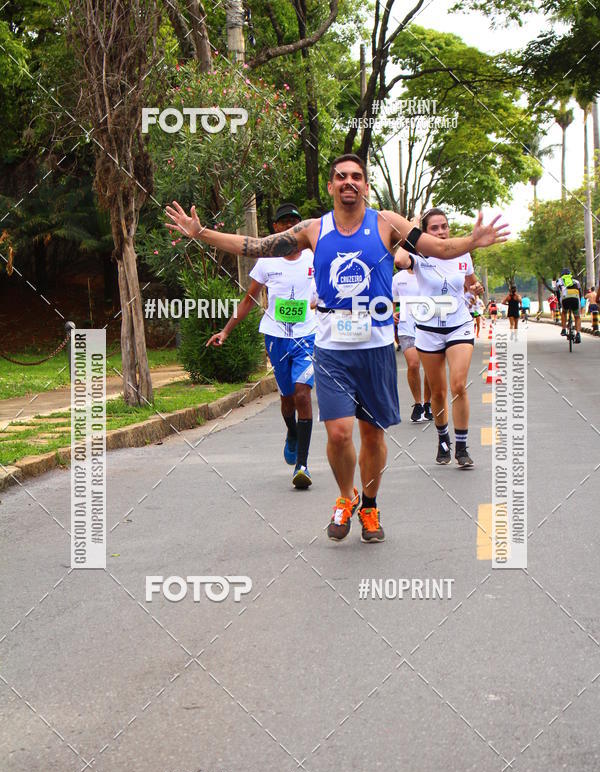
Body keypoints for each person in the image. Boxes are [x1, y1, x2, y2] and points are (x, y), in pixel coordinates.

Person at [165, 154, 509, 541]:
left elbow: (438, 249)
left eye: (356, 177)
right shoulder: (314, 229)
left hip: (376, 348)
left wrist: (472, 242)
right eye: (341, 176)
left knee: (373, 436)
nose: (349, 182)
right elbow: (255, 245)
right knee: (340, 434)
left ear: (366, 186)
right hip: (331, 350)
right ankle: (346, 497)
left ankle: (371, 505)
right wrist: (202, 233)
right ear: (331, 186)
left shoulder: (387, 223)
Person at [206, 202, 316, 489]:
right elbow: (249, 300)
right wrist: (226, 331)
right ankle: (292, 431)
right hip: (275, 336)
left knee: (303, 395)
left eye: (295, 221)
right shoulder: (266, 261)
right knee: (287, 398)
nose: (290, 226)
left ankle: (302, 464)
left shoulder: (314, 257)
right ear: (276, 229)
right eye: (284, 222)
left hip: (307, 336)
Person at [396, 207, 485, 469]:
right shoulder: (418, 254)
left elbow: (470, 282)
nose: (441, 232)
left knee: (458, 385)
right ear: (425, 232)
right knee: (438, 392)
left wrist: (475, 288)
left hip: (459, 325)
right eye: (434, 228)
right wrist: (412, 227)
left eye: (444, 226)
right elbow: (400, 259)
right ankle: (443, 438)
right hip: (429, 329)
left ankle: (462, 446)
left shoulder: (462, 252)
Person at [392, 250, 433, 422]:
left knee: (430, 368)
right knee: (414, 364)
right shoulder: (398, 278)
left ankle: (427, 403)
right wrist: (393, 314)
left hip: (429, 324)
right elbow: (393, 301)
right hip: (406, 326)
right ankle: (417, 403)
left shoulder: (428, 273)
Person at [556, 268, 582, 343]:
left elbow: (558, 294)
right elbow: (580, 294)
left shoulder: (559, 281)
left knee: (564, 312)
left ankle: (563, 329)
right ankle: (578, 334)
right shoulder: (576, 281)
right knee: (577, 317)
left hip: (565, 299)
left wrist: (560, 304)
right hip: (575, 298)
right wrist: (579, 304)